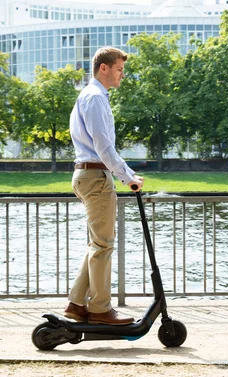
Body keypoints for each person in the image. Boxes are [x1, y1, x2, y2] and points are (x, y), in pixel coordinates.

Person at [65, 47, 143, 325]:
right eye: (120, 69)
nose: (123, 74)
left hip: (89, 174)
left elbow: (102, 147)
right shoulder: (96, 98)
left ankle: (76, 303)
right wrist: (127, 177)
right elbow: (103, 146)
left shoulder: (90, 97)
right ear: (104, 68)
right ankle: (99, 309)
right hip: (95, 176)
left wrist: (127, 174)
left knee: (97, 244)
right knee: (103, 245)